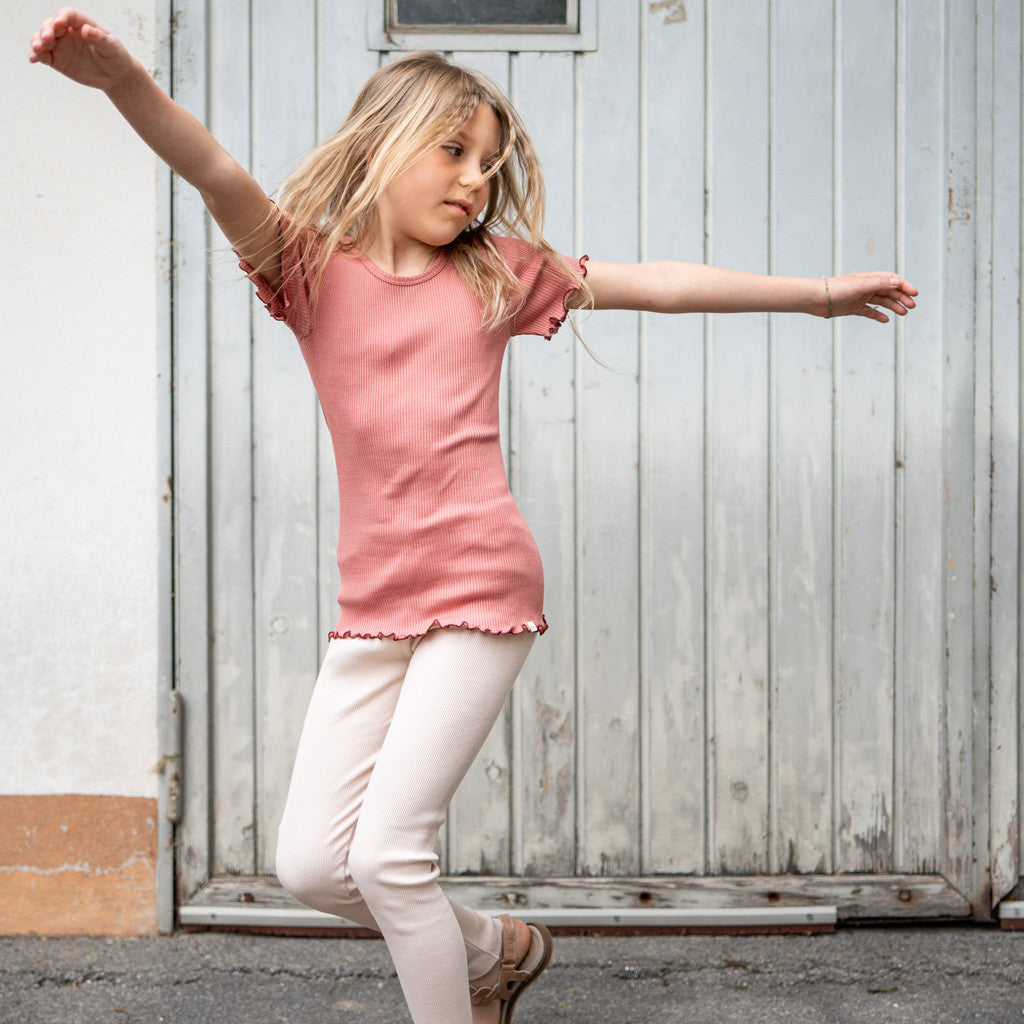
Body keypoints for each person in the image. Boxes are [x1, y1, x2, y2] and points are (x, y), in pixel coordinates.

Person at [30, 9, 917, 1024]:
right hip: (373, 603)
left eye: (489, 164)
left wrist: (816, 295)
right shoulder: (306, 271)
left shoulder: (494, 274)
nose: (473, 179)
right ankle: (498, 949)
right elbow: (216, 170)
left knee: (389, 856)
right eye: (453, 150)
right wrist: (120, 84)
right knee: (315, 866)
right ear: (379, 145)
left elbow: (656, 283)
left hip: (481, 587)